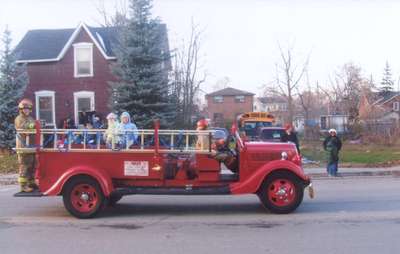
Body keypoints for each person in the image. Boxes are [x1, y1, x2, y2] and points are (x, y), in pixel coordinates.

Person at [15, 99, 37, 192]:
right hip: (23, 146)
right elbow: (22, 128)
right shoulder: (19, 119)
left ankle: (31, 182)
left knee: (32, 164)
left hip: (31, 145)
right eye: (24, 109)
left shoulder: (30, 118)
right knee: (24, 165)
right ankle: (23, 186)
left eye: (28, 109)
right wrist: (32, 125)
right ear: (21, 110)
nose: (26, 110)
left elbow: (34, 126)